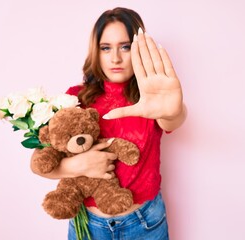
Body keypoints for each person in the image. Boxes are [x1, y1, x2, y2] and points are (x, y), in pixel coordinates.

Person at [31, 7, 187, 240]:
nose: (115, 58)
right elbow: (38, 162)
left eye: (125, 47)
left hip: (145, 224)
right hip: (88, 227)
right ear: (96, 51)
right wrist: (79, 166)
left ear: (138, 51)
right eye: (106, 48)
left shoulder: (152, 98)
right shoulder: (75, 99)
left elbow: (174, 117)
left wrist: (174, 110)